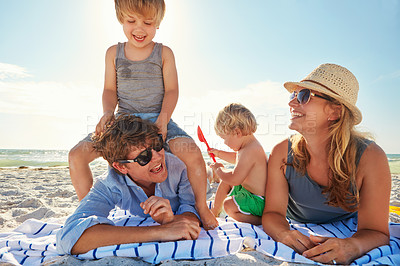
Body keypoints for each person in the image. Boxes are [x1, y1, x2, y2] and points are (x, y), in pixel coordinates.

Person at [68, 0, 217, 230]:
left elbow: (172, 90)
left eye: (148, 22)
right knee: (77, 155)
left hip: (158, 119)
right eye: (131, 21)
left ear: (158, 23)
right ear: (120, 19)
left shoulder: (163, 53)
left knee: (193, 153)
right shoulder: (113, 53)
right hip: (123, 122)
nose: (139, 29)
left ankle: (202, 207)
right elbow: (109, 90)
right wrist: (108, 113)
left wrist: (164, 120)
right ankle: (90, 211)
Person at [262, 63, 391, 265]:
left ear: (335, 111)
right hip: (297, 220)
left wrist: (353, 246)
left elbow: (377, 232)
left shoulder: (370, 157)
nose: (292, 103)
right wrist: (284, 233)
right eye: (292, 95)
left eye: (304, 95)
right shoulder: (282, 152)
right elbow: (272, 213)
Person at [56, 115, 201, 255]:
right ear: (121, 167)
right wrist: (161, 231)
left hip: (201, 177)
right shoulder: (110, 184)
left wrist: (172, 220)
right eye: (144, 157)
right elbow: (68, 237)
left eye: (157, 145)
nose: (158, 157)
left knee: (207, 174)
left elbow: (193, 211)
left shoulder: (181, 166)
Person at [208, 103, 268, 225]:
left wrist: (219, 170)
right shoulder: (248, 147)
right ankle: (214, 211)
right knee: (226, 181)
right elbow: (237, 159)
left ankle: (263, 221)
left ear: (237, 132)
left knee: (228, 205)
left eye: (224, 138)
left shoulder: (251, 150)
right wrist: (218, 153)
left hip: (258, 201)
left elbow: (235, 179)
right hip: (249, 193)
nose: (224, 142)